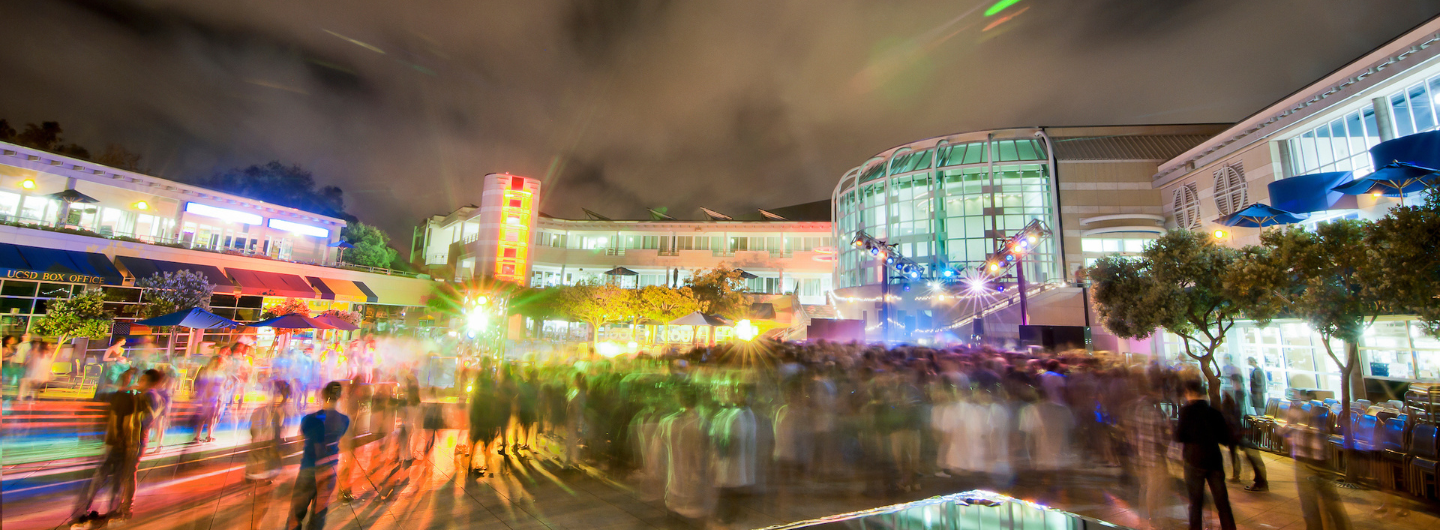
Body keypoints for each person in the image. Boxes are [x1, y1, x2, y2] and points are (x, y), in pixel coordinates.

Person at [71, 369, 163, 525]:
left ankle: (125, 510)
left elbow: (146, 421)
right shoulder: (137, 395)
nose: (139, 382)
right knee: (115, 474)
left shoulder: (151, 398)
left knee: (126, 475)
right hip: (122, 441)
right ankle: (112, 509)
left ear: (153, 383)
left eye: (143, 380)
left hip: (135, 442)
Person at [1174, 379, 1237, 530]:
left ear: (1188, 393)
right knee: (1222, 503)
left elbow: (1179, 436)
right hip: (1214, 461)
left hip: (1193, 461)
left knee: (1195, 503)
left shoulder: (1185, 412)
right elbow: (1224, 438)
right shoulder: (1214, 412)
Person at [288, 381, 350, 530]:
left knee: (295, 516)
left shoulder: (308, 419)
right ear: (340, 397)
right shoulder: (344, 420)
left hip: (308, 470)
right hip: (329, 470)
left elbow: (299, 441)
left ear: (322, 395)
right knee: (319, 514)